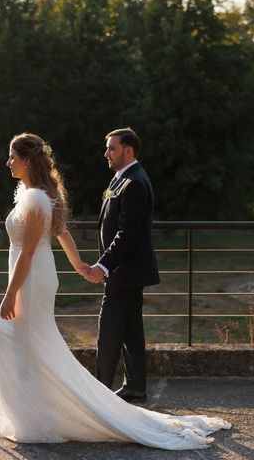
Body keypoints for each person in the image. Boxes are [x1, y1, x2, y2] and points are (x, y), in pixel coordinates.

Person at [0, 132, 230, 449]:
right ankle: (39, 410)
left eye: (12, 157)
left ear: (27, 160)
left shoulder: (35, 198)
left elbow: (29, 252)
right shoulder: (38, 193)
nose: (8, 163)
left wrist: (9, 293)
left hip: (31, 279)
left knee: (4, 337)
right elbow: (61, 234)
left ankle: (43, 412)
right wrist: (79, 265)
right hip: (37, 275)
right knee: (33, 343)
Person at [84, 127, 159, 402]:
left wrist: (103, 266)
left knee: (109, 332)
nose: (106, 153)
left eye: (111, 148)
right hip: (125, 273)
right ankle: (135, 387)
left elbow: (128, 234)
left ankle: (98, 394)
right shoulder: (121, 180)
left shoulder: (135, 182)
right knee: (130, 332)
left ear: (128, 151)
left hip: (125, 273)